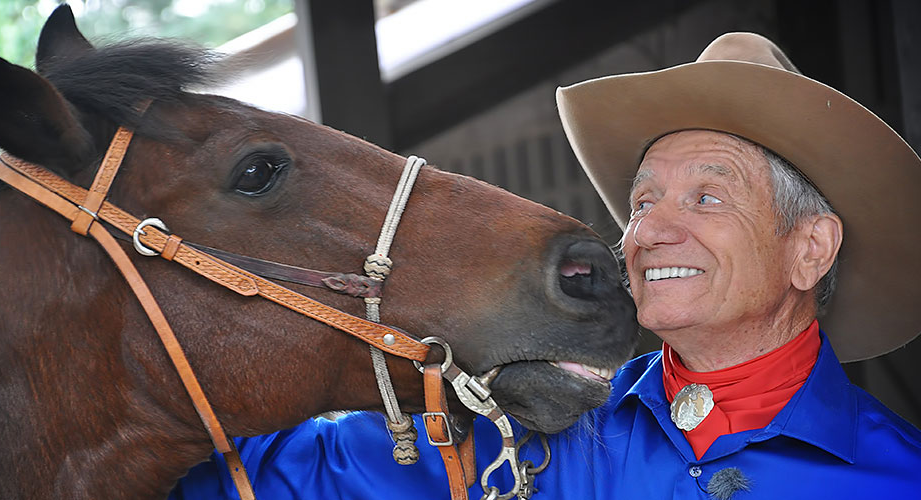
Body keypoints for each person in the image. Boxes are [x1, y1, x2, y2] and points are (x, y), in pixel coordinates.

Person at [171, 32, 921, 499]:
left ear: (810, 249)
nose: (649, 230)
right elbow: (237, 479)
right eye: (643, 199)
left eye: (707, 197)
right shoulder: (523, 431)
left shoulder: (901, 480)